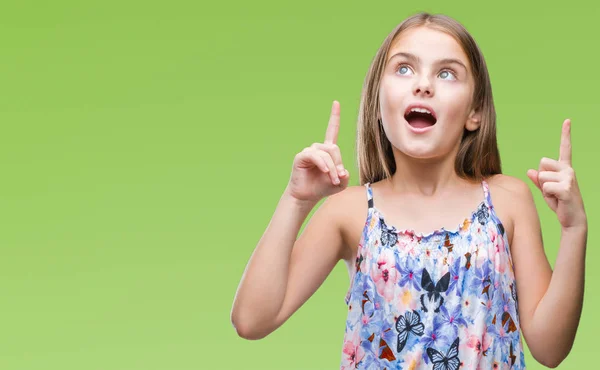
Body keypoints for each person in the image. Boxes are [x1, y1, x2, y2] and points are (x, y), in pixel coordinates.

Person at [230, 11, 587, 369]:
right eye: (404, 69)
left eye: (446, 73)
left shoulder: (508, 200)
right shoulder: (351, 211)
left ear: (474, 111)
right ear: (379, 101)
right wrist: (297, 200)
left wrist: (573, 230)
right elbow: (251, 320)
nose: (423, 85)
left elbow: (550, 348)